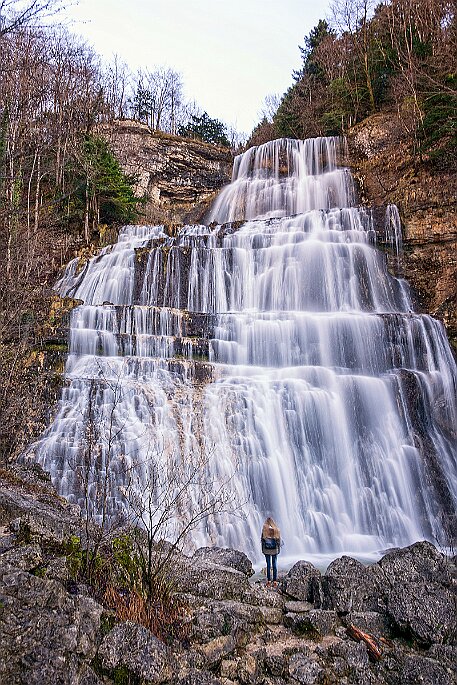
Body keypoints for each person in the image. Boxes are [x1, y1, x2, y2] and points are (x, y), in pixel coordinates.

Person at [261, 516, 281, 585]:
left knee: (268, 565)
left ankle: (269, 581)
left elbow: (262, 541)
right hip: (274, 550)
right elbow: (278, 541)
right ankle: (275, 581)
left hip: (266, 550)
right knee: (274, 564)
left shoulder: (264, 530)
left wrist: (263, 550)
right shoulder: (276, 530)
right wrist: (278, 550)